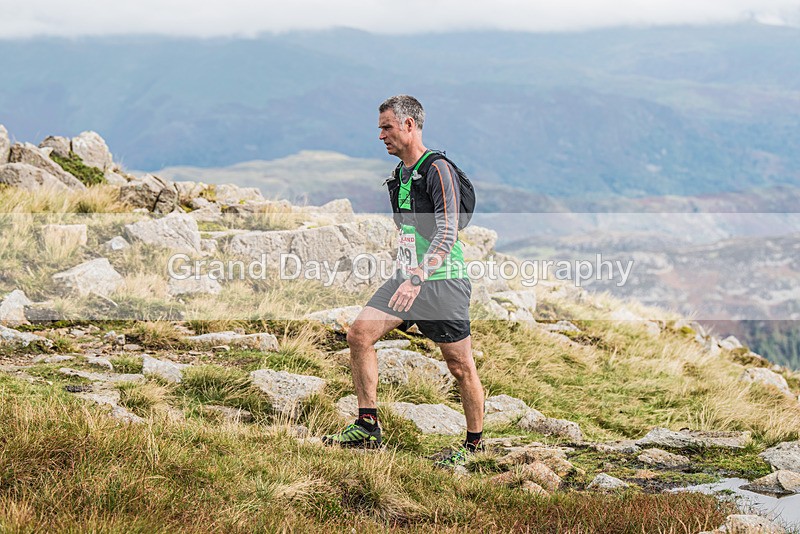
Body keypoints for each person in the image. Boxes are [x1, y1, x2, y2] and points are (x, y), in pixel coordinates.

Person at [323, 95, 484, 466]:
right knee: (359, 334)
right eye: (381, 128)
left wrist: (418, 277)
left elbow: (447, 232)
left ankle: (474, 446)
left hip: (442, 282)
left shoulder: (437, 169)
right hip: (408, 277)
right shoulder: (399, 176)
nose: (380, 136)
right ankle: (367, 427)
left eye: (387, 127)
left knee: (460, 366)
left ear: (409, 125)